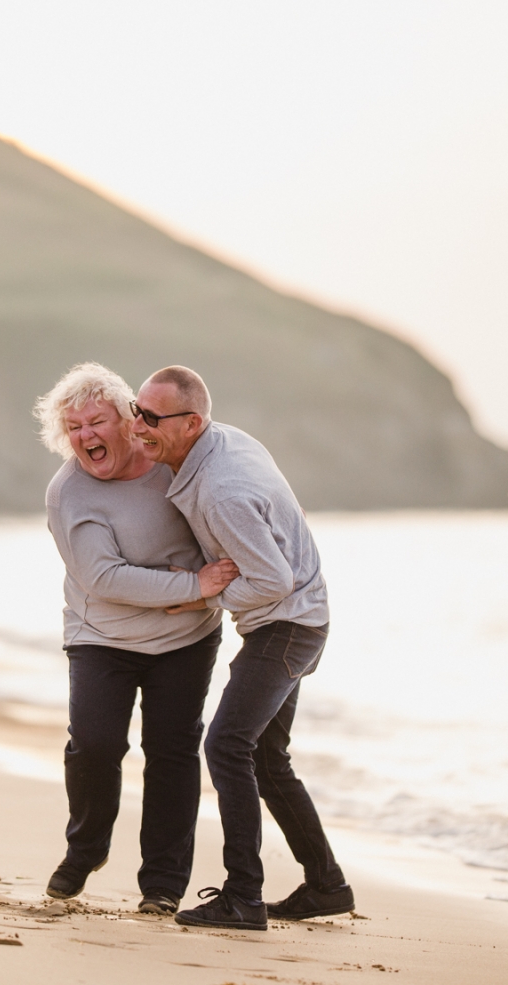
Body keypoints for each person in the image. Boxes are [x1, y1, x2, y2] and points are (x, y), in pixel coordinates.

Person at [131, 365, 354, 931]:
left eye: (152, 418)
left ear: (192, 423)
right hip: (300, 620)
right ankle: (327, 886)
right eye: (137, 410)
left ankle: (243, 897)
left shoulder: (224, 489)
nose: (139, 426)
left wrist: (199, 595)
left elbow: (273, 580)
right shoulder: (220, 443)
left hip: (286, 624)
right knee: (265, 757)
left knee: (226, 745)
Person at [34, 363, 239, 915]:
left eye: (96, 421)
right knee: (95, 746)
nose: (85, 437)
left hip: (185, 636)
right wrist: (192, 585)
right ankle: (86, 849)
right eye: (73, 427)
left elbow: (224, 533)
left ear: (129, 420)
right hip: (102, 634)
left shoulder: (172, 467)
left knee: (172, 753)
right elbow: (103, 577)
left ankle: (164, 885)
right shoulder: (68, 494)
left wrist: (205, 596)